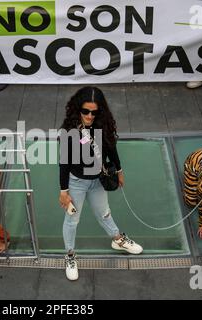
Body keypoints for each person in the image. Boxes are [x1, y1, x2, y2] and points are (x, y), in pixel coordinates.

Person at [58, 86, 143, 281]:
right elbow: (63, 163)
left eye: (94, 112)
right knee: (72, 220)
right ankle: (70, 255)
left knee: (104, 213)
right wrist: (64, 191)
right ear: (78, 109)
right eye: (85, 111)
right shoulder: (69, 131)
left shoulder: (102, 125)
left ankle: (117, 239)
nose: (89, 116)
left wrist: (119, 170)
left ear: (100, 111)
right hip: (76, 182)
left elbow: (111, 150)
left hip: (97, 179)